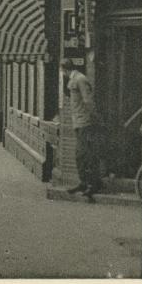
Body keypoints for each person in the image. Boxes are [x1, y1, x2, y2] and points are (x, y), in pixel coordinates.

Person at [63, 59, 102, 199]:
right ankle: (84, 182)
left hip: (85, 123)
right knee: (82, 155)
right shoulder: (74, 79)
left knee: (85, 154)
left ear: (64, 70)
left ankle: (92, 184)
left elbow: (88, 101)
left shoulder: (80, 79)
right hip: (78, 123)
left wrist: (94, 118)